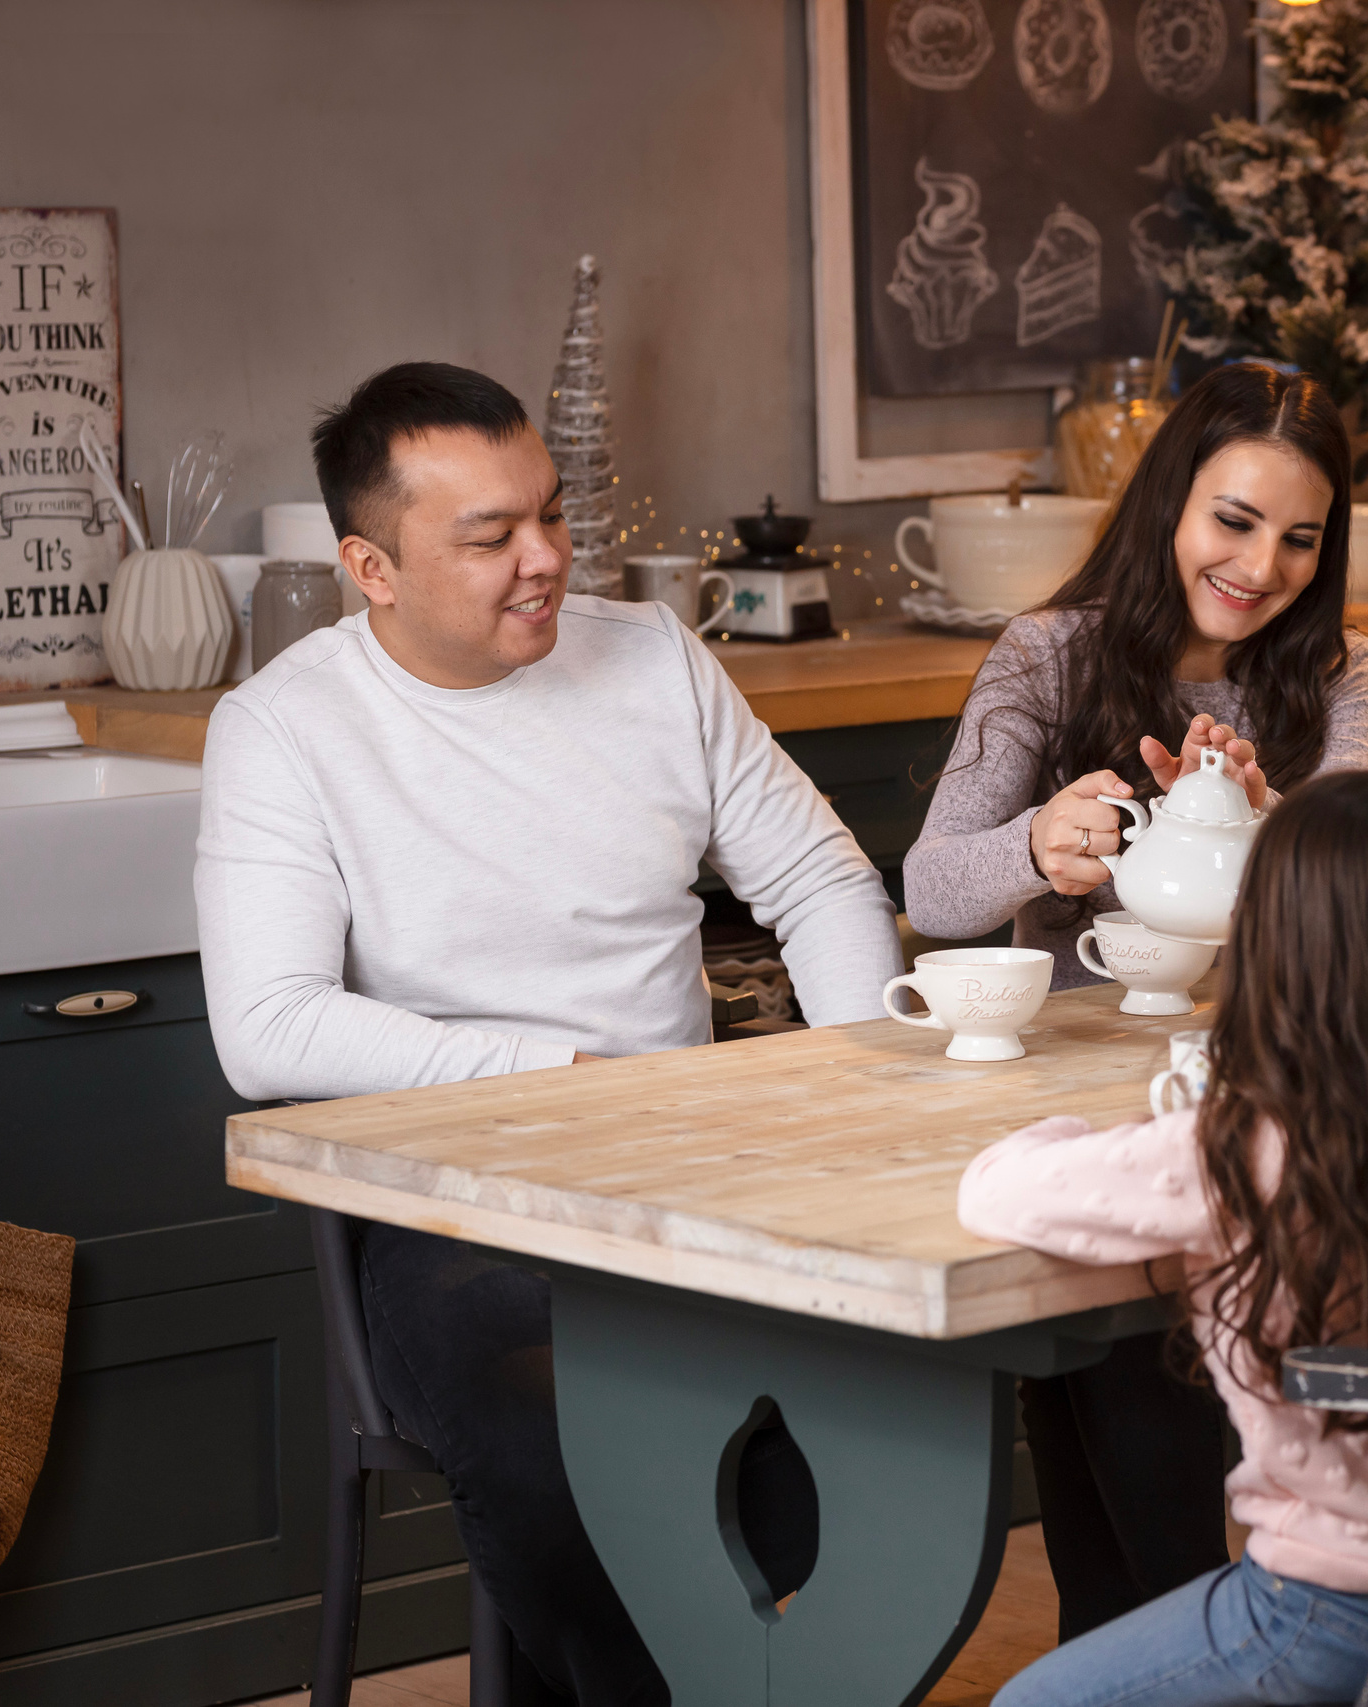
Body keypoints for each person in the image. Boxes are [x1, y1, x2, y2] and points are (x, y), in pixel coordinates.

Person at [196, 362, 899, 1704]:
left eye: (552, 513)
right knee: (558, 1434)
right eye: (491, 535)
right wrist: (564, 1076)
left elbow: (819, 879)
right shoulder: (284, 728)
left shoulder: (652, 655)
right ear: (371, 566)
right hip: (452, 1204)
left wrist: (867, 1092)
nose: (546, 560)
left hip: (695, 1172)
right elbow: (269, 1026)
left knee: (886, 1400)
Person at [905, 361, 1368, 1640]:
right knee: (1096, 1455)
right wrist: (1036, 844)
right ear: (1170, 500)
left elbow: (1366, 920)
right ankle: (1139, 1656)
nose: (1260, 567)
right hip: (1074, 1111)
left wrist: (1276, 827)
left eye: (1299, 539)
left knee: (1149, 1433)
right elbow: (933, 890)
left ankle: (1175, 1653)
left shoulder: (1338, 671)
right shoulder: (1048, 656)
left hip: (1245, 1109)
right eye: (1233, 520)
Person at [959, 772, 1368, 1707]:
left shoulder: (1238, 1145)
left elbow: (998, 1190)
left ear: (1273, 942)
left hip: (1335, 1607)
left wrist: (1078, 1129)